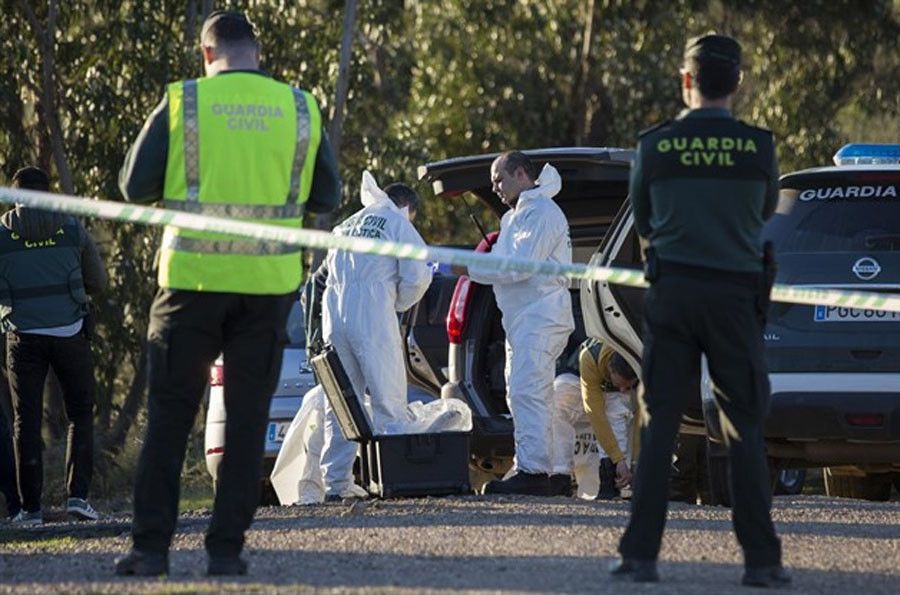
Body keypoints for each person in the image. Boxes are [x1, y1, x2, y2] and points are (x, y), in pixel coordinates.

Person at [115, 10, 341, 576]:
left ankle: (148, 552)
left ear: (206, 54)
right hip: (267, 291)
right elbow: (327, 195)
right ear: (257, 54)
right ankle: (225, 553)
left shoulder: (184, 103)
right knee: (245, 424)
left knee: (168, 419)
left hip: (190, 285)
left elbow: (132, 187)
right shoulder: (300, 107)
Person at [610, 34, 789, 588]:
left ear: (685, 82)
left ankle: (640, 556)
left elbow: (643, 220)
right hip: (736, 298)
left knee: (659, 423)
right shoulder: (759, 147)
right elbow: (762, 212)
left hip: (675, 295)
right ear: (737, 83)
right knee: (744, 430)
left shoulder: (656, 147)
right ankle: (761, 562)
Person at [453, 152, 575, 496]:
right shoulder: (516, 218)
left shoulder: (540, 212)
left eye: (499, 178)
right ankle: (548, 471)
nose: (495, 187)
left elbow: (518, 266)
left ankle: (534, 471)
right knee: (527, 391)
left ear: (521, 173)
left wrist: (468, 266)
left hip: (541, 315)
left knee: (527, 390)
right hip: (523, 319)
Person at [0, 166, 106, 526]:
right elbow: (99, 281)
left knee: (24, 423)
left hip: (22, 337)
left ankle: (29, 510)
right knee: (79, 413)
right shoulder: (72, 226)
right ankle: (77, 497)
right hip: (70, 333)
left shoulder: (1, 232)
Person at [322, 173, 431, 437]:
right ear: (407, 208)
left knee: (342, 406)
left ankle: (336, 479)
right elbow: (417, 276)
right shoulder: (397, 222)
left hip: (334, 319)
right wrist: (397, 305)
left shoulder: (345, 226)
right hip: (373, 319)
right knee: (388, 402)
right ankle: (394, 475)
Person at [579, 342, 640, 500]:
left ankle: (630, 482)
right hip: (581, 374)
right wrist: (617, 458)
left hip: (636, 377)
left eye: (628, 386)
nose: (622, 390)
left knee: (620, 404)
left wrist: (636, 462)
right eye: (620, 385)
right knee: (615, 407)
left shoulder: (642, 361)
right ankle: (608, 477)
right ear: (610, 370)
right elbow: (596, 416)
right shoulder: (589, 358)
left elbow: (643, 418)